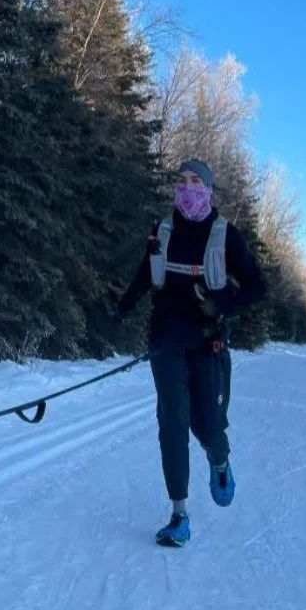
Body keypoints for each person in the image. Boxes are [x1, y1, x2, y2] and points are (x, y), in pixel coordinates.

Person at [117, 158, 266, 547]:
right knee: (172, 423)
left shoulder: (225, 235)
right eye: (180, 181)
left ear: (209, 189)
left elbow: (256, 287)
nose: (186, 187)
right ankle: (179, 514)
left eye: (195, 181)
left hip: (208, 343)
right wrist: (121, 306)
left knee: (208, 425)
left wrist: (220, 303)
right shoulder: (162, 230)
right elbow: (146, 275)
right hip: (166, 341)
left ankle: (219, 461)